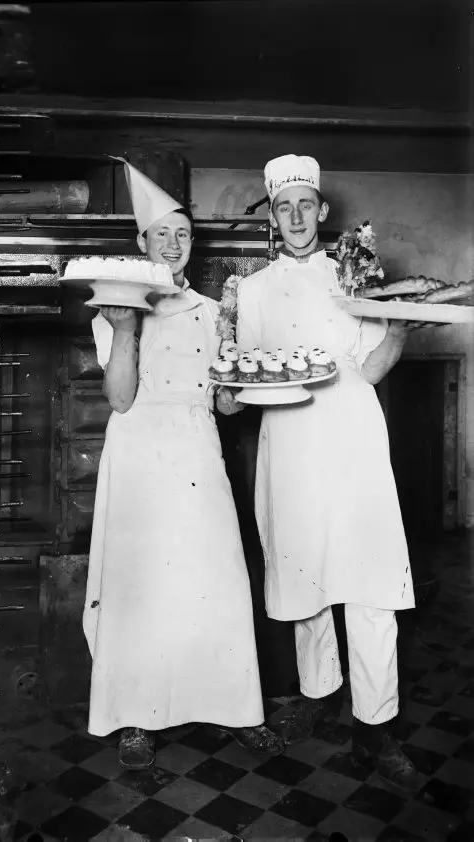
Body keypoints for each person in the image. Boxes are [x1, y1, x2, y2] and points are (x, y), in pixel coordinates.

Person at [217, 154, 417, 791]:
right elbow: (243, 381)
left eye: (307, 204)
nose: (297, 216)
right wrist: (227, 389)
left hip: (354, 445)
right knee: (303, 576)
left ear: (322, 212)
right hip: (291, 448)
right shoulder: (249, 291)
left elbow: (376, 368)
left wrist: (403, 327)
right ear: (273, 217)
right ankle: (318, 690)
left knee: (371, 583)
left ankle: (376, 723)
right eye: (284, 206)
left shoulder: (356, 279)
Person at [82, 158, 283, 771]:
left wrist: (232, 390)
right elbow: (120, 397)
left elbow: (224, 402)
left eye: (183, 234)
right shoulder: (116, 308)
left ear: (192, 244)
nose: (172, 245)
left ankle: (235, 706)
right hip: (140, 452)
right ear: (141, 242)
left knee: (215, 574)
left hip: (197, 449)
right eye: (160, 234)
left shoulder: (212, 311)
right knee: (140, 585)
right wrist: (125, 329)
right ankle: (134, 719)